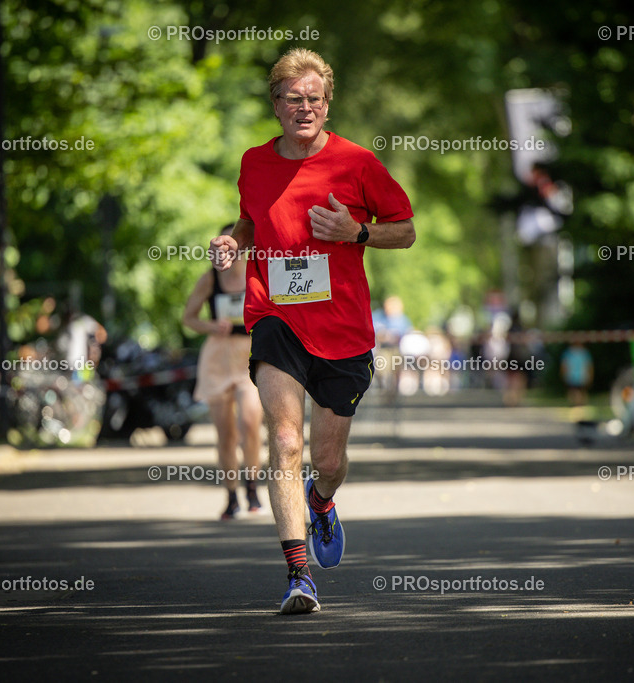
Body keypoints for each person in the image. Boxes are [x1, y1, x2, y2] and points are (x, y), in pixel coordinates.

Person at [210, 48, 415, 614]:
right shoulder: (254, 162)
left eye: (315, 100)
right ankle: (298, 574)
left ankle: (321, 501)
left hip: (344, 328)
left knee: (326, 460)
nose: (305, 108)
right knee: (285, 441)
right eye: (293, 99)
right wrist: (235, 241)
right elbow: (251, 221)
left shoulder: (357, 162)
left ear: (328, 105)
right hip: (276, 315)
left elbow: (406, 230)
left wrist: (357, 232)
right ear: (275, 104)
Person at [183, 224, 264, 520]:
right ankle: (231, 496)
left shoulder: (259, 272)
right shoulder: (210, 279)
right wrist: (211, 326)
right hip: (218, 357)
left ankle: (252, 488)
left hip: (249, 356)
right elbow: (188, 318)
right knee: (225, 433)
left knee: (250, 422)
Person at [561, 342, 594, 407]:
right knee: (575, 391)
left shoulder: (584, 353)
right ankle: (577, 405)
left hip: (581, 376)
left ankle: (579, 405)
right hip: (574, 376)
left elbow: (589, 365)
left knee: (578, 391)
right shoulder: (568, 353)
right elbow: (564, 365)